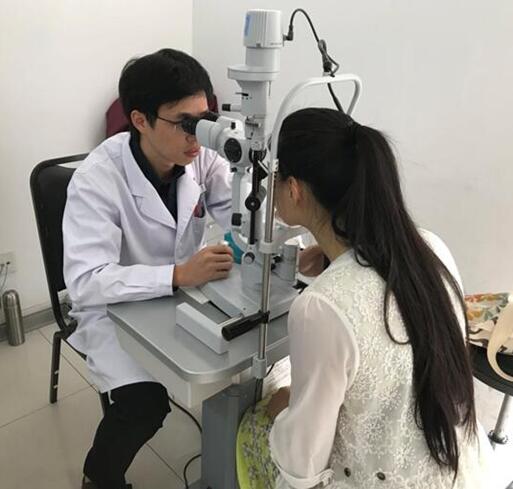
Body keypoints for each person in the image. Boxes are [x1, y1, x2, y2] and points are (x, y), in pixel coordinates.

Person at [236, 108, 496, 488]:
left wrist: (283, 408)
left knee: (252, 426)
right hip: (464, 467)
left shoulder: (320, 308)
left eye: (274, 178)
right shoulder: (430, 247)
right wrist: (334, 259)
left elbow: (302, 464)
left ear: (294, 189)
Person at [62, 48, 234, 489]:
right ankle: (99, 475)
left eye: (205, 118)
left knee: (241, 362)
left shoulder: (201, 156)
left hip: (183, 290)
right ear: (140, 120)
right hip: (114, 307)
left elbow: (237, 211)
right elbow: (85, 282)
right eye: (184, 122)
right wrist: (176, 275)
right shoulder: (97, 178)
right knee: (145, 404)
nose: (198, 136)